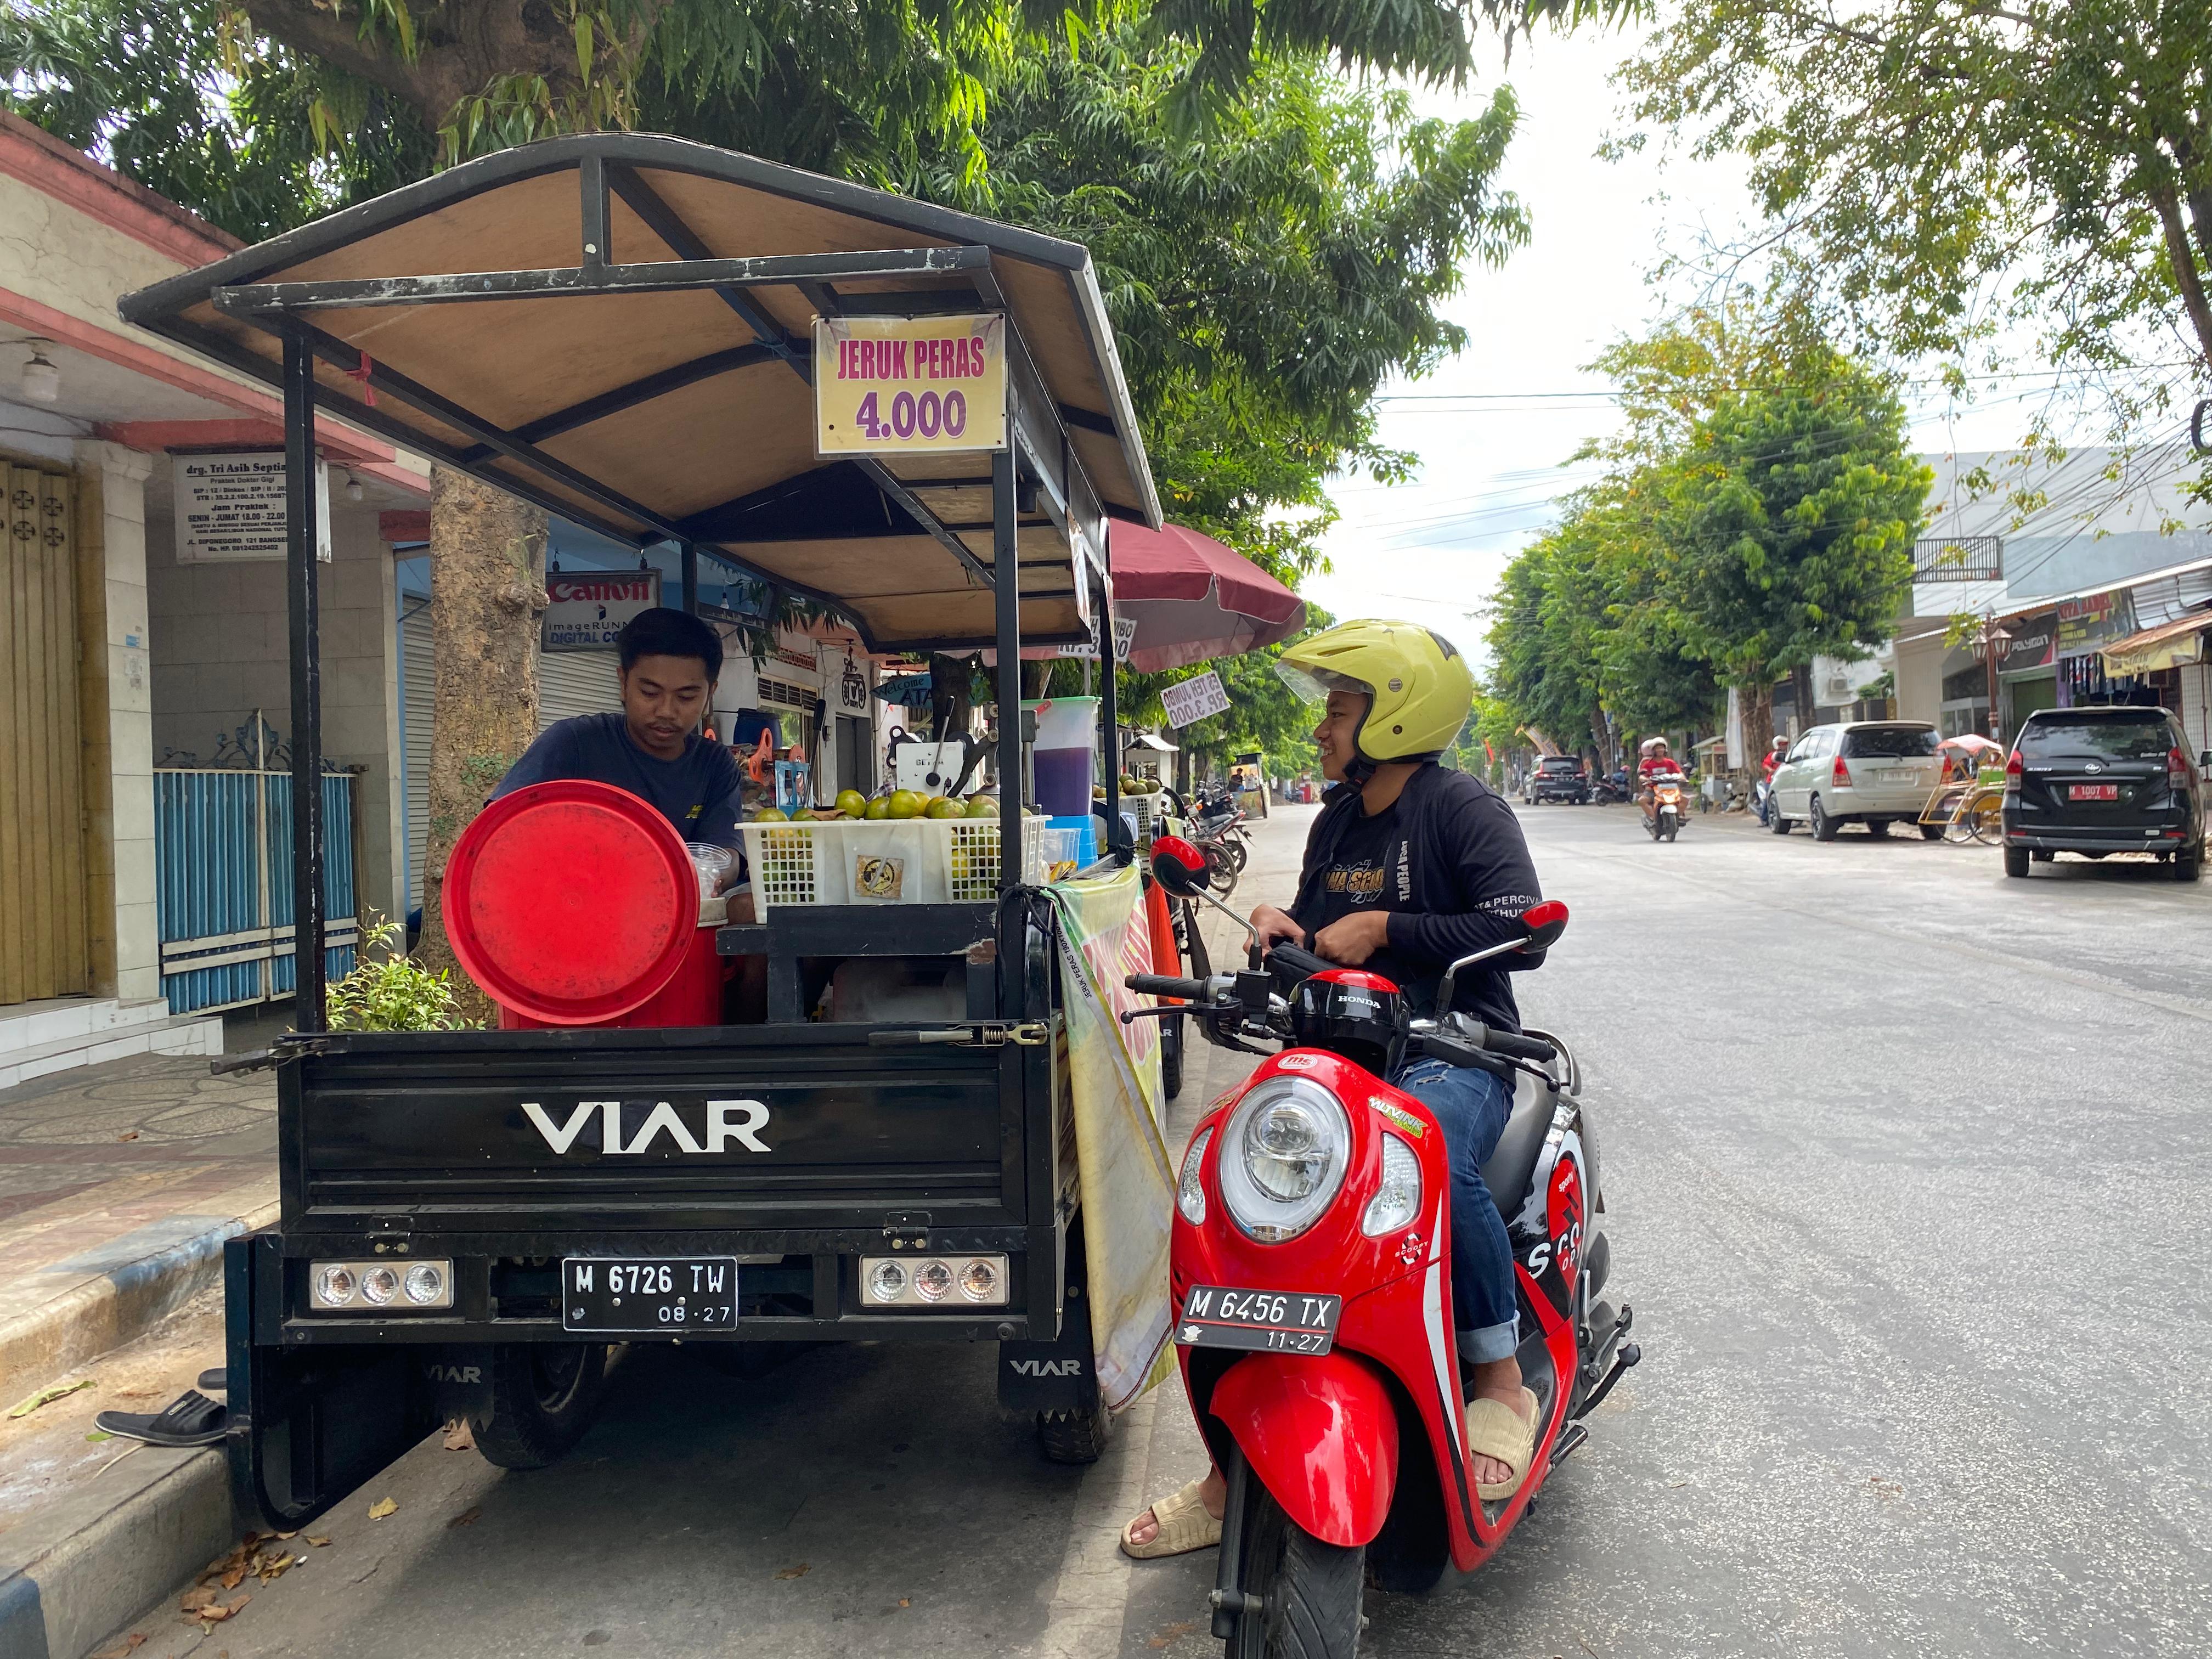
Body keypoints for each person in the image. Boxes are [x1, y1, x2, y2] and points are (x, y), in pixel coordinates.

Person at [1121, 619, 1548, 1559]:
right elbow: (1322, 930)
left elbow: (1518, 924)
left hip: (1457, 1046)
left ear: (1394, 717)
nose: (1322, 728)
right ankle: (1231, 1465)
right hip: (1342, 1048)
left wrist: (1384, 927)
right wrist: (1286, 927)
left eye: (1339, 711)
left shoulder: (1462, 809)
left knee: (1428, 1146)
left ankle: (1498, 1379)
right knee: (1250, 1170)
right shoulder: (1336, 820)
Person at [493, 607, 748, 902]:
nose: (666, 711)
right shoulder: (573, 744)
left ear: (710, 694)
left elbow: (726, 853)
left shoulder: (714, 765)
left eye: (686, 697)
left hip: (677, 926)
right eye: (650, 693)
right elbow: (499, 827)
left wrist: (715, 873)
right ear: (623, 683)